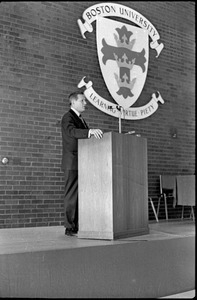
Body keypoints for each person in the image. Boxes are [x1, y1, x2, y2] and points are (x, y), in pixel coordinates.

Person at [61, 91, 103, 236]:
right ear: (73, 102)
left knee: (80, 196)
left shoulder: (80, 119)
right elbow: (72, 132)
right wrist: (89, 132)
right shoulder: (68, 117)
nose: (86, 103)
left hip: (82, 162)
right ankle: (70, 227)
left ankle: (78, 225)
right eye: (83, 101)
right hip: (72, 163)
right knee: (72, 195)